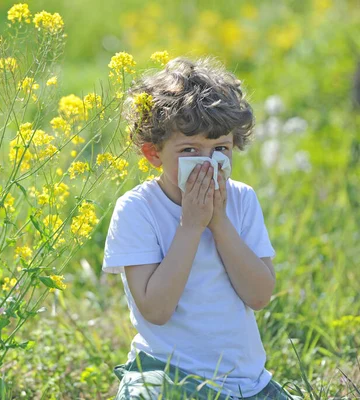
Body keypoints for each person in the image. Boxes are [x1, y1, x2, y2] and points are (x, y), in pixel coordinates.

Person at [102, 57, 299, 400]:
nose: (208, 164)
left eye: (220, 149)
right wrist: (191, 226)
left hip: (245, 382)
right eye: (190, 150)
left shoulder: (241, 200)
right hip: (167, 375)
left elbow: (259, 295)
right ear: (153, 154)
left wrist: (219, 222)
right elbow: (156, 310)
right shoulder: (137, 209)